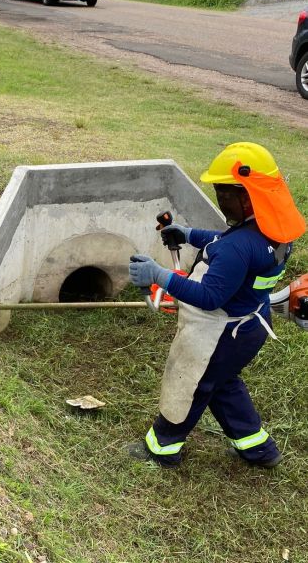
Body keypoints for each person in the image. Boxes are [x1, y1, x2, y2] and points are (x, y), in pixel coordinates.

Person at [128, 142, 305, 468]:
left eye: (223, 193)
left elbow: (210, 297)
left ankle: (162, 447)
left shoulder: (238, 248)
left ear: (247, 196)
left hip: (221, 333)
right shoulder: (274, 231)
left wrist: (159, 275)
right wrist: (189, 234)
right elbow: (227, 241)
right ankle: (259, 449)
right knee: (222, 383)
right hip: (251, 324)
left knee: (192, 384)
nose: (220, 200)